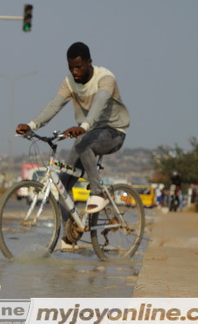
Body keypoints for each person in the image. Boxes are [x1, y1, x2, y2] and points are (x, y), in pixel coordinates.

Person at [16, 41, 129, 250]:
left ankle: (98, 192)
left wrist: (84, 126)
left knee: (80, 141)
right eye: (71, 67)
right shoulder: (69, 82)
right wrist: (31, 125)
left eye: (79, 67)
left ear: (89, 62)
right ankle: (72, 233)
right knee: (62, 185)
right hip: (87, 134)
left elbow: (98, 105)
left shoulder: (105, 79)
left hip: (113, 132)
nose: (75, 72)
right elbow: (54, 105)